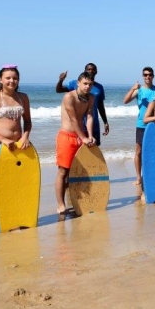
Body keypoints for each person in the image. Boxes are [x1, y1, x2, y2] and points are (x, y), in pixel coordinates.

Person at [54, 72, 96, 218]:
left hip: (81, 136)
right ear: (78, 83)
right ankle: (61, 204)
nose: (87, 87)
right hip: (66, 137)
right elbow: (73, 120)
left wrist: (89, 136)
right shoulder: (69, 97)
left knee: (79, 172)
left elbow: (89, 116)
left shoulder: (91, 98)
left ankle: (77, 200)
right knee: (63, 171)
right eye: (85, 83)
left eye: (90, 84)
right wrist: (83, 138)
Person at [123, 66, 155, 198]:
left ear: (153, 76)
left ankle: (149, 176)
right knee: (138, 151)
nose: (147, 77)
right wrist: (133, 88)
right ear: (143, 76)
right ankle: (138, 177)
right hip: (141, 124)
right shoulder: (139, 91)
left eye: (149, 75)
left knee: (152, 152)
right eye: (145, 75)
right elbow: (125, 101)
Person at [56, 63, 109, 146]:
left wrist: (105, 122)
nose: (91, 71)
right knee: (80, 149)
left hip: (93, 122)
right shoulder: (76, 83)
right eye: (89, 69)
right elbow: (59, 90)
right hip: (79, 124)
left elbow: (100, 106)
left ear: (96, 72)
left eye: (93, 69)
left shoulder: (99, 87)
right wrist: (61, 80)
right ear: (85, 71)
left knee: (93, 147)